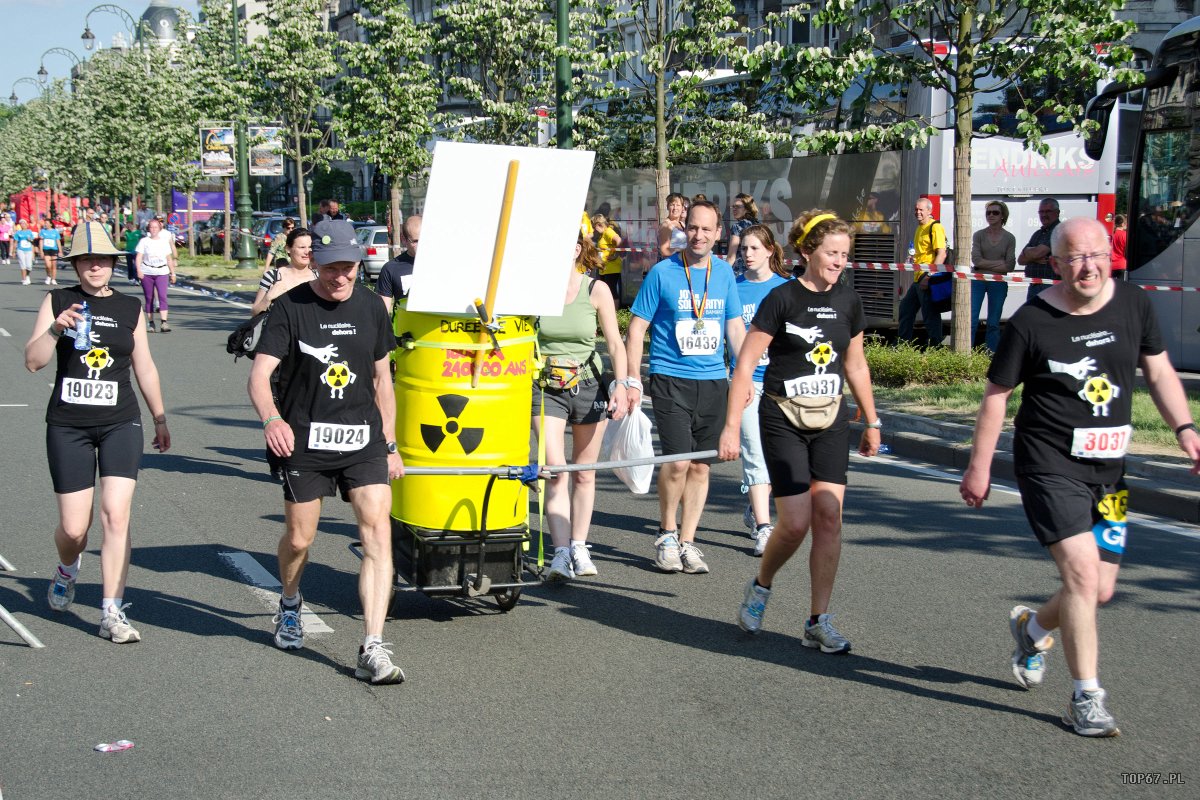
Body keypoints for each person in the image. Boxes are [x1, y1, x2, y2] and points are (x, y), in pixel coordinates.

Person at [960, 217, 1200, 737]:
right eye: (1074, 258)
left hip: (1109, 471)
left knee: (1100, 588)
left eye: (1096, 256)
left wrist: (1185, 429)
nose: (1086, 267)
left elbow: (1158, 371)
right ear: (1057, 263)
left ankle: (1034, 627)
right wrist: (979, 465)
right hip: (1049, 464)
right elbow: (997, 396)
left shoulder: (1133, 304)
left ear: (1110, 256)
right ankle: (1086, 697)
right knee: (1082, 575)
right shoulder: (1032, 320)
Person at [248, 218, 406, 685]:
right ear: (312, 260)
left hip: (363, 439)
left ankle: (372, 646)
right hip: (303, 439)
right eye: (333, 267)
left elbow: (382, 380)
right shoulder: (289, 307)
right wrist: (272, 420)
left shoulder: (373, 307)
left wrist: (391, 444)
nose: (342, 277)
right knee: (300, 539)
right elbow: (259, 378)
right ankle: (291, 602)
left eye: (350, 267)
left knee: (377, 530)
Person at [722, 210, 881, 652]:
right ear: (808, 250)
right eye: (832, 253)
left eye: (845, 255)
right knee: (794, 523)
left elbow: (855, 364)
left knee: (829, 516)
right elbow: (747, 363)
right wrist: (732, 427)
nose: (839, 262)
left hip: (830, 419)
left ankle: (818, 620)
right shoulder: (782, 298)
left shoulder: (849, 301)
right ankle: (761, 585)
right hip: (783, 417)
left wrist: (872, 420)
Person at [23, 220, 172, 643]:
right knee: (74, 530)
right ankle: (67, 568)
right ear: (76, 264)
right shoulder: (58, 300)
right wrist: (55, 329)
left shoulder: (129, 308)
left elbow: (144, 365)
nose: (95, 266)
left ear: (112, 264)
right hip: (68, 425)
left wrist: (159, 417)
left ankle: (111, 610)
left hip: (120, 422)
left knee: (116, 515)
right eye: (87, 259)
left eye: (103, 260)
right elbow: (32, 362)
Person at [626, 201, 745, 574]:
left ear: (718, 233)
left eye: (706, 229)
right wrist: (631, 378)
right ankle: (666, 533)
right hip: (670, 376)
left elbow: (735, 327)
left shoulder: (724, 274)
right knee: (676, 462)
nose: (698, 235)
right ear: (684, 230)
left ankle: (689, 542)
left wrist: (745, 375)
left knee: (700, 467)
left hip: (713, 380)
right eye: (693, 228)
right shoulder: (662, 273)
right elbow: (636, 328)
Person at [535, 234, 631, 581]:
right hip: (545, 386)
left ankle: (579, 544)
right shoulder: (535, 291)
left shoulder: (596, 290)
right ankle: (560, 554)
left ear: (576, 250)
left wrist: (622, 383)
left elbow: (616, 344)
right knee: (556, 470)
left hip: (589, 384)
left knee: (585, 472)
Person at [732, 224, 791, 556]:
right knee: (754, 449)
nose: (748, 254)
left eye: (755, 248)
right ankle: (765, 528)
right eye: (744, 249)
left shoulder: (787, 289)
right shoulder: (734, 289)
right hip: (746, 381)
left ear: (770, 250)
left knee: (778, 453)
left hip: (781, 382)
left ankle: (756, 505)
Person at [897, 198, 948, 346]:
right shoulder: (920, 227)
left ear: (929, 211)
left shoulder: (935, 227)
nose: (918, 212)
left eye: (921, 210)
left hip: (927, 278)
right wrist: (911, 259)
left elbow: (941, 254)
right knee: (906, 309)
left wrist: (930, 276)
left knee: (930, 316)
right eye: (916, 209)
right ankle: (903, 344)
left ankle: (935, 347)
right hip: (918, 278)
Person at [969, 200, 1017, 353]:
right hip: (977, 281)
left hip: (998, 282)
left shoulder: (1010, 238)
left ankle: (992, 355)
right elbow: (975, 260)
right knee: (971, 320)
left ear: (1003, 216)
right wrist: (998, 264)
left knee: (993, 323)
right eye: (988, 212)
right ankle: (964, 354)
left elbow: (1009, 265)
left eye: (995, 212)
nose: (991, 215)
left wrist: (984, 265)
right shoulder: (979, 235)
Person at [251, 227, 315, 317]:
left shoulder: (319, 277)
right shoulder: (272, 277)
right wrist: (268, 298)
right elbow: (254, 312)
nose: (307, 252)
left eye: (310, 247)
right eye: (302, 247)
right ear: (288, 248)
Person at [134, 218, 177, 332]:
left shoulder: (164, 242)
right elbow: (138, 257)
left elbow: (169, 259)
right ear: (148, 229)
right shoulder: (144, 241)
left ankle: (164, 322)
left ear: (159, 229)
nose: (153, 229)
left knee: (162, 296)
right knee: (149, 298)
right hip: (147, 271)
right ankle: (151, 323)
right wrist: (139, 270)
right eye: (151, 227)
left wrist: (173, 273)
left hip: (162, 271)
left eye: (155, 227)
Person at [375, 215, 420, 315]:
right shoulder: (391, 269)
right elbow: (382, 314)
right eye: (416, 241)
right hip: (405, 328)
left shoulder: (443, 265)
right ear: (403, 239)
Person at [1018, 197, 1060, 300]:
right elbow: (1020, 260)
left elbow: (1038, 253)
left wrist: (1028, 252)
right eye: (1041, 212)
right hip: (1034, 285)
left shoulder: (1058, 231)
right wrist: (1033, 256)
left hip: (1051, 286)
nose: (1044, 215)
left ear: (1057, 212)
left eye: (1048, 211)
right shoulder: (1037, 234)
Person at [592, 213, 623, 302]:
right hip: (605, 268)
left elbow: (619, 241)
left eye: (595, 227)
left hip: (612, 267)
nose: (594, 230)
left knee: (611, 291)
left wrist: (615, 255)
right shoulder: (603, 234)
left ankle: (615, 313)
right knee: (605, 292)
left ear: (599, 225)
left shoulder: (608, 232)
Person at [727, 193, 759, 275]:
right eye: (733, 206)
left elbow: (731, 257)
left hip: (739, 273)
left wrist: (723, 273)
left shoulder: (737, 227)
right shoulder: (758, 225)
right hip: (755, 272)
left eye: (738, 207)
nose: (734, 209)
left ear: (747, 209)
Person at [656, 192, 687, 260]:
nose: (675, 208)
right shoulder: (666, 225)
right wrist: (685, 250)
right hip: (672, 264)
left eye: (678, 205)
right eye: (672, 205)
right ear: (667, 207)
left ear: (682, 207)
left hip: (683, 263)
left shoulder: (682, 224)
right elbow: (664, 251)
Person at [38, 217, 62, 285]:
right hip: (46, 250)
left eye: (47, 223)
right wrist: (41, 250)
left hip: (54, 250)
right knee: (48, 265)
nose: (45, 224)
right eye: (45, 223)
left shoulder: (55, 231)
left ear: (51, 224)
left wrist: (60, 251)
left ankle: (53, 279)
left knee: (54, 265)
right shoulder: (43, 231)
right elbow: (41, 241)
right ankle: (48, 276)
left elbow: (58, 241)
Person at [13, 219, 37, 285]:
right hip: (20, 249)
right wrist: (13, 251)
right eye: (21, 224)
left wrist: (30, 240)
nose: (22, 225)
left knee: (29, 266)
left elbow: (33, 241)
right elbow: (15, 242)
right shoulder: (18, 233)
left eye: (23, 223)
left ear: (26, 224)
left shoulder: (29, 232)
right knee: (23, 264)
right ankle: (23, 279)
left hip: (28, 250)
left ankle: (27, 275)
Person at [1110, 214, 1127, 278]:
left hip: (1111, 266)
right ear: (1123, 224)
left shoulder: (1110, 233)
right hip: (1122, 265)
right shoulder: (1125, 235)